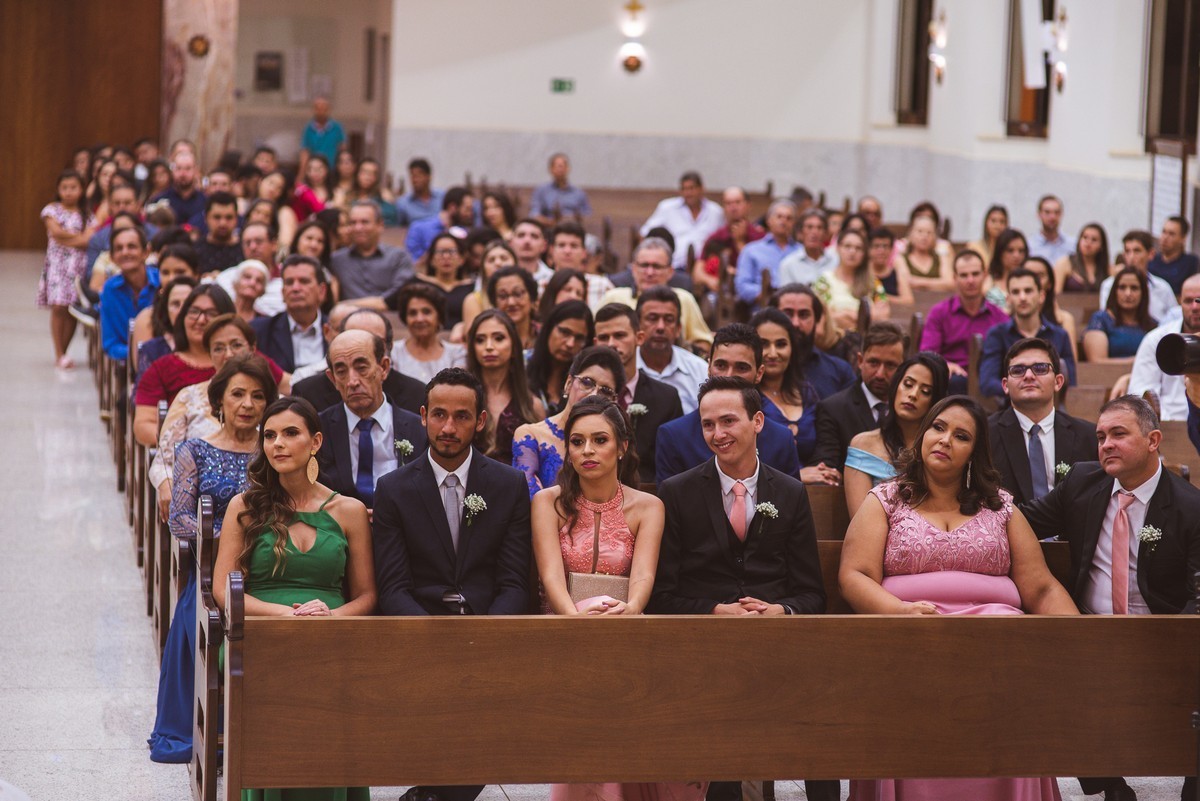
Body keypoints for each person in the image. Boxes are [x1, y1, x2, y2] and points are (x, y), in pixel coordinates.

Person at [839, 395, 1077, 798]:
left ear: (973, 453)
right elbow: (855, 575)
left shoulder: (999, 506)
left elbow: (1040, 586)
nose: (945, 439)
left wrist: (1082, 641)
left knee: (1011, 653)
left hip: (996, 648)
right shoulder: (887, 499)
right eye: (938, 427)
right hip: (906, 635)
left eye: (961, 435)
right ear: (923, 435)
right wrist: (898, 612)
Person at [649, 376, 832, 801]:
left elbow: (811, 593)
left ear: (758, 421)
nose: (718, 434)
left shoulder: (788, 492)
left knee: (822, 710)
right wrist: (714, 611)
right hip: (702, 647)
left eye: (728, 421)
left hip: (777, 647)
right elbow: (662, 594)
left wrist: (779, 611)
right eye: (708, 424)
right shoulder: (676, 493)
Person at [1021, 395, 1200, 801]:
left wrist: (1175, 642)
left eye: (1119, 434)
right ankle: (1110, 785)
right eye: (1101, 436)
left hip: (1163, 637)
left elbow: (1198, 594)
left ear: (1154, 439)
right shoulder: (1083, 483)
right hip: (1089, 632)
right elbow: (1023, 520)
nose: (1105, 444)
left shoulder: (1191, 508)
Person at [533, 395, 702, 801]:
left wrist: (632, 610)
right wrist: (574, 619)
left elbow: (643, 574)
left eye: (599, 439)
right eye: (577, 441)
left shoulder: (648, 506)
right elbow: (551, 574)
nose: (587, 450)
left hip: (626, 628)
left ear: (622, 446)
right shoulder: (547, 502)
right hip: (562, 633)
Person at [212, 395, 376, 801]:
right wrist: (286, 614)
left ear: (315, 442)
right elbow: (222, 590)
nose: (277, 444)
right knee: (279, 667)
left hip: (330, 631)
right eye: (269, 436)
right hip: (259, 630)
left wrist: (332, 617)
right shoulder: (244, 507)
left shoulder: (349, 510)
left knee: (338, 670)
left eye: (290, 433)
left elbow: (368, 595)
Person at [149, 355, 277, 764]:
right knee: (197, 613)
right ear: (219, 398)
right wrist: (227, 537)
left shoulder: (275, 448)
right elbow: (181, 518)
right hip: (214, 572)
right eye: (238, 394)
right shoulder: (195, 450)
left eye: (258, 396)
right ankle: (206, 725)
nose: (247, 404)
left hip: (274, 565)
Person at [148, 314, 275, 521]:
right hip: (201, 502)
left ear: (252, 348)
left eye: (236, 345)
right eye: (218, 348)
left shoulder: (267, 398)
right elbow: (164, 458)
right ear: (209, 354)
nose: (228, 354)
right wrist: (170, 487)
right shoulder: (189, 397)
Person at [655, 324, 801, 484]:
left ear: (759, 373)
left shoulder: (781, 439)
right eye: (721, 365)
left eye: (741, 367)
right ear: (709, 368)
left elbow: (789, 504)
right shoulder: (674, 436)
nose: (729, 376)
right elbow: (671, 505)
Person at [316, 330, 428, 509]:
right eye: (341, 371)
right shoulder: (318, 432)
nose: (352, 381)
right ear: (333, 379)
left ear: (383, 367)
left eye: (361, 368)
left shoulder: (419, 430)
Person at [989, 338, 1098, 507]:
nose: (1029, 376)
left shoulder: (1088, 437)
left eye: (1040, 368)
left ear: (1058, 381)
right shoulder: (985, 435)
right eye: (1018, 370)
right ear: (1005, 385)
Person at [843, 352, 949, 515]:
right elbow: (860, 521)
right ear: (896, 385)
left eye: (926, 391)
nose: (913, 394)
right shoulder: (863, 444)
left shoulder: (939, 449)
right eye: (908, 384)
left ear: (935, 401)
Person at [133, 284, 237, 445]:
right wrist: (187, 448)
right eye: (194, 312)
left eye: (211, 313)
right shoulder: (162, 368)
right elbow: (143, 426)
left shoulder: (243, 362)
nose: (201, 320)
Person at [514, 347, 624, 497]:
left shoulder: (614, 443)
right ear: (568, 383)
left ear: (614, 401)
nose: (593, 394)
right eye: (587, 382)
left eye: (605, 391)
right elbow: (527, 497)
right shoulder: (531, 435)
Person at [594, 303, 684, 484]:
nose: (611, 344)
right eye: (604, 337)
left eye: (620, 335)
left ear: (639, 337)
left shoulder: (666, 398)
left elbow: (673, 467)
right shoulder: (584, 394)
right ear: (595, 343)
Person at [751, 309, 840, 484]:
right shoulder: (746, 398)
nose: (773, 353)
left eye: (781, 344)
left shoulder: (807, 392)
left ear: (792, 348)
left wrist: (824, 471)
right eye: (764, 344)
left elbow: (824, 443)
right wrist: (796, 475)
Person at [293, 307, 426, 415]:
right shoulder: (308, 394)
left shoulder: (416, 395)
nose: (364, 346)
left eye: (376, 341)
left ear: (390, 346)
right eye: (355, 338)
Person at [813, 322, 908, 471]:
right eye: (873, 363)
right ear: (860, 361)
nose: (880, 374)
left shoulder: (913, 409)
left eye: (890, 365)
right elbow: (825, 467)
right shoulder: (834, 409)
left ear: (903, 367)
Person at [979, 268, 1077, 399]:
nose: (1022, 297)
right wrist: (1025, 392)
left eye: (1028, 291)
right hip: (1008, 411)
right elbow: (987, 383)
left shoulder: (1060, 335)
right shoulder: (997, 334)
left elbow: (1070, 382)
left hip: (1052, 411)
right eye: (1015, 292)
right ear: (1008, 299)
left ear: (1041, 296)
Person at [600, 238, 713, 347]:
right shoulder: (613, 298)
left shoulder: (684, 299)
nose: (649, 272)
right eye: (644, 265)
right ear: (633, 269)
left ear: (670, 272)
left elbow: (704, 343)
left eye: (656, 266)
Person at [466, 309, 545, 461]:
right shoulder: (460, 398)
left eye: (499, 338)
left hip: (516, 484)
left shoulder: (533, 406)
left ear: (514, 347)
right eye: (480, 340)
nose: (489, 346)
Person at [38, 170, 94, 368]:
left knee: (71, 308)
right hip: (57, 266)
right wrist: (77, 239)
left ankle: (65, 352)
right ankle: (58, 351)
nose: (69, 192)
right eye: (65, 188)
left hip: (78, 267)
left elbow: (89, 239)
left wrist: (68, 238)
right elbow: (56, 233)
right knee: (58, 306)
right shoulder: (51, 210)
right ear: (58, 190)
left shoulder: (87, 214)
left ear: (81, 189)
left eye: (73, 188)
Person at [1128, 273, 1200, 421]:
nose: (1194, 307)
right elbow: (1140, 391)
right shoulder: (1156, 339)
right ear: (1180, 302)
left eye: (1199, 300)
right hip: (1166, 425)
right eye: (1187, 301)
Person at [633, 286, 709, 413]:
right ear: (637, 325)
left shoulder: (700, 371)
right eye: (652, 318)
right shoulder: (625, 369)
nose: (660, 327)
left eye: (668, 320)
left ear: (678, 328)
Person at [251, 255, 329, 373]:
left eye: (304, 281)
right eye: (289, 282)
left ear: (322, 291)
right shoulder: (260, 331)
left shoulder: (337, 330)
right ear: (282, 292)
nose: (295, 288)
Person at [640, 171, 724, 271]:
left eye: (692, 188)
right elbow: (645, 233)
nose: (688, 193)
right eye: (684, 189)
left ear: (701, 189)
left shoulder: (716, 211)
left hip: (704, 268)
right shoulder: (667, 208)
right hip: (674, 266)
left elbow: (723, 238)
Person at [100, 225, 160, 360]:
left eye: (131, 246)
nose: (125, 252)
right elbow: (110, 343)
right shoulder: (110, 290)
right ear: (112, 257)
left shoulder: (162, 282)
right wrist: (139, 354)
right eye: (119, 248)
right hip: (128, 363)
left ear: (146, 251)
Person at [812, 229, 889, 331]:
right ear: (838, 248)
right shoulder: (824, 280)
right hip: (834, 338)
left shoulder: (873, 282)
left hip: (866, 338)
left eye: (858, 248)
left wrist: (848, 314)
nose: (852, 252)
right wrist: (863, 316)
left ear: (864, 253)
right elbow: (821, 315)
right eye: (847, 246)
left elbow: (884, 314)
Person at [526, 300, 595, 415]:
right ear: (549, 328)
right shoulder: (521, 366)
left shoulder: (585, 383)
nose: (570, 344)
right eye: (565, 332)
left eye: (579, 338)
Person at [390, 283, 468, 383]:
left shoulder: (457, 354)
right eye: (413, 313)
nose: (419, 319)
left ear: (439, 316)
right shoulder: (393, 353)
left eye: (426, 312)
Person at [694, 186, 766, 295]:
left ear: (748, 205)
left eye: (737, 202)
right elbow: (697, 271)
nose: (733, 207)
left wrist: (740, 242)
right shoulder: (716, 237)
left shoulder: (760, 237)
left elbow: (760, 271)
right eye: (728, 203)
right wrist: (709, 280)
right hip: (721, 293)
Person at [1099, 230, 1179, 324]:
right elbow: (1107, 319)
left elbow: (1175, 319)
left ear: (1151, 254)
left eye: (1137, 251)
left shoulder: (1162, 287)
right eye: (1127, 251)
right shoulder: (1110, 284)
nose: (1131, 257)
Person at [398, 232, 474, 328]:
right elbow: (386, 303)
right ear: (431, 259)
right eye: (440, 252)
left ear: (462, 259)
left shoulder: (473, 287)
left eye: (452, 252)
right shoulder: (417, 282)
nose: (446, 257)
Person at [1082, 267, 1157, 362]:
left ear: (1143, 293)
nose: (1128, 293)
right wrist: (1136, 361)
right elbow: (1097, 362)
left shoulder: (1153, 326)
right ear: (1115, 291)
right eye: (1122, 287)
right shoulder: (1100, 320)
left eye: (1134, 288)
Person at [733, 199, 800, 304]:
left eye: (789, 218)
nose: (783, 221)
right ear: (769, 220)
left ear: (794, 223)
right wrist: (765, 294)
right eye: (779, 217)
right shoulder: (751, 250)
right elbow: (742, 285)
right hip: (762, 307)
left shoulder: (800, 252)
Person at [406, 186, 475, 263]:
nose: (470, 214)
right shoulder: (418, 229)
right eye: (467, 209)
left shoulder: (465, 232)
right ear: (452, 207)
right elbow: (412, 263)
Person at [461, 240, 517, 333]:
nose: (498, 263)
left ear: (515, 263)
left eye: (504, 258)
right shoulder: (473, 300)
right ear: (483, 269)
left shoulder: (527, 295)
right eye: (491, 260)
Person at [777, 208, 836, 286]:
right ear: (800, 233)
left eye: (819, 228)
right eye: (809, 227)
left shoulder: (836, 261)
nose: (814, 232)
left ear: (825, 234)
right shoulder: (788, 265)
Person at [487, 265, 540, 350]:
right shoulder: (487, 341)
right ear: (494, 302)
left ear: (532, 298)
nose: (511, 302)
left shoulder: (546, 335)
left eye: (517, 294)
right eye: (503, 296)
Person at [530, 152, 592, 224]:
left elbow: (587, 215)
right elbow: (534, 215)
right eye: (557, 166)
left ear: (568, 168)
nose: (560, 169)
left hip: (574, 229)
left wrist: (572, 219)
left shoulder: (579, 193)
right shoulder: (541, 191)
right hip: (549, 229)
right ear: (550, 169)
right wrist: (551, 222)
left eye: (563, 166)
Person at [896, 211, 951, 291]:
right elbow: (906, 281)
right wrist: (938, 283)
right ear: (911, 234)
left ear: (934, 237)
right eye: (920, 231)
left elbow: (949, 283)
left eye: (929, 233)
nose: (924, 236)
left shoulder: (942, 257)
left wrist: (917, 282)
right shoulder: (901, 258)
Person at [150, 150, 205, 228]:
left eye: (188, 169)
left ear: (196, 171)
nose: (183, 174)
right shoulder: (159, 200)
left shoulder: (205, 201)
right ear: (172, 171)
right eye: (178, 168)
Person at [1148, 215, 1200, 296]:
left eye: (1171, 234)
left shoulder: (1190, 263)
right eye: (1164, 232)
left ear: (1183, 238)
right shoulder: (1151, 259)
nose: (1165, 238)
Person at [1054, 222, 1110, 294]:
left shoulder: (1107, 269)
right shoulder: (1064, 263)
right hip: (1068, 305)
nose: (1088, 242)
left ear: (1101, 246)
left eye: (1094, 239)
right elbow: (1056, 296)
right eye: (1085, 237)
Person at [299, 96, 346, 175]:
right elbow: (305, 152)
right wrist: (301, 173)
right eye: (318, 108)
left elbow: (342, 149)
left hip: (332, 170)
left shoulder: (337, 128)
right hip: (314, 171)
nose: (321, 112)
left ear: (329, 110)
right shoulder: (308, 129)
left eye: (324, 108)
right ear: (313, 110)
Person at [348, 156, 398, 227]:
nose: (367, 177)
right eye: (364, 172)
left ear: (376, 178)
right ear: (357, 174)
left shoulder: (383, 199)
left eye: (372, 173)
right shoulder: (347, 198)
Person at [394, 158, 444, 227]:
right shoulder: (403, 203)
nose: (415, 180)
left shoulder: (442, 197)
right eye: (412, 176)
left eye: (419, 176)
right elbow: (399, 230)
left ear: (428, 177)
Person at [986, 228, 1030, 304]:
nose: (1016, 256)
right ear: (1000, 252)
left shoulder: (1031, 280)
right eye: (1010, 250)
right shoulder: (989, 283)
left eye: (1021, 251)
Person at [1029, 194, 1076, 265]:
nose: (1052, 217)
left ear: (1061, 214)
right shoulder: (1030, 246)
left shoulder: (1073, 245)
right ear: (1039, 214)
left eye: (1056, 212)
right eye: (1047, 212)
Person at [511, 218, 555, 289]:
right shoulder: (501, 277)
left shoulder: (553, 279)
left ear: (544, 245)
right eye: (521, 235)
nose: (527, 241)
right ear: (511, 243)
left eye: (534, 236)